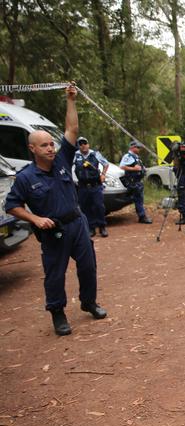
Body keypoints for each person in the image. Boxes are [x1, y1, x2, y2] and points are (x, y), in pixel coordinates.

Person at [5, 83, 107, 336]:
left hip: (78, 223)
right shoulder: (26, 177)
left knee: (88, 266)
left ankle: (89, 302)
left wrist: (70, 100)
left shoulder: (62, 160)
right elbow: (12, 205)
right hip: (54, 230)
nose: (50, 148)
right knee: (55, 274)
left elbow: (72, 129)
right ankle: (58, 313)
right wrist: (35, 219)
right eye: (44, 145)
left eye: (51, 144)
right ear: (32, 149)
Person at [74, 136, 109, 237]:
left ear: (88, 144)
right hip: (82, 186)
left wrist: (103, 174)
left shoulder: (95, 154)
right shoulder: (75, 155)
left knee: (99, 206)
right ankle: (91, 228)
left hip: (95, 186)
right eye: (80, 144)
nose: (83, 145)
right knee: (85, 207)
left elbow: (106, 164)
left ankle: (102, 227)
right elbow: (69, 166)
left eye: (84, 143)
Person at [120, 141, 152, 224]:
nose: (139, 149)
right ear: (132, 147)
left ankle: (142, 216)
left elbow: (139, 167)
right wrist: (134, 169)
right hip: (133, 182)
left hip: (138, 182)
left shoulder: (136, 157)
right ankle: (142, 216)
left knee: (139, 199)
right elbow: (122, 166)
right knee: (138, 199)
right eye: (137, 147)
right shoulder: (128, 156)